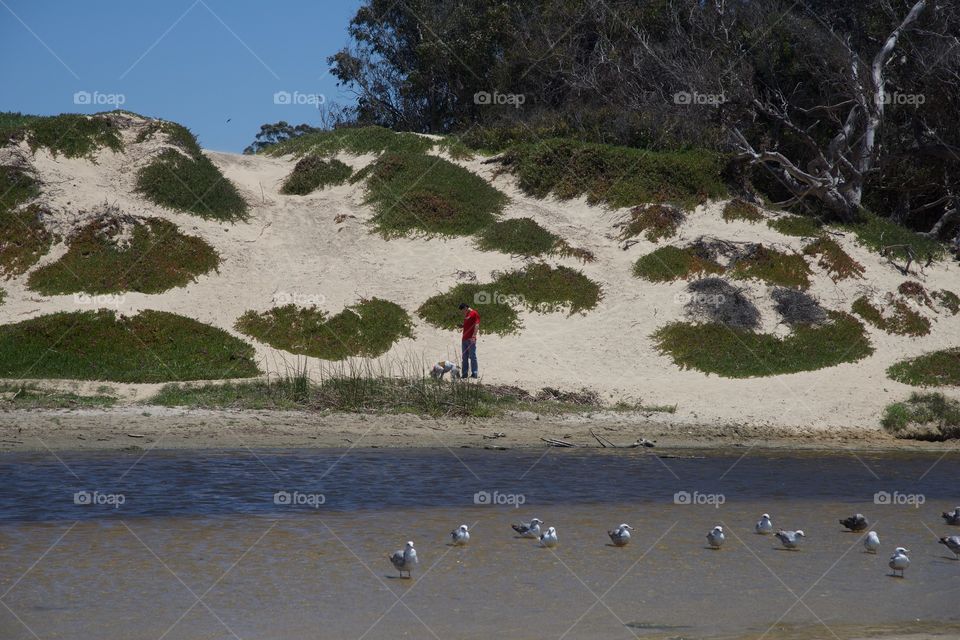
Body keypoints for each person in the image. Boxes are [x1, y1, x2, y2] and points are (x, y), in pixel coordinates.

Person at [458, 302, 480, 378]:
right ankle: (464, 374)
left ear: (466, 308)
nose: (463, 312)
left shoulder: (474, 313)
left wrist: (474, 336)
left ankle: (474, 373)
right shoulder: (467, 315)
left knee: (472, 356)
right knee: (464, 357)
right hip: (464, 338)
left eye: (463, 310)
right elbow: (468, 324)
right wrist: (462, 325)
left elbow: (477, 325)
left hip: (471, 339)